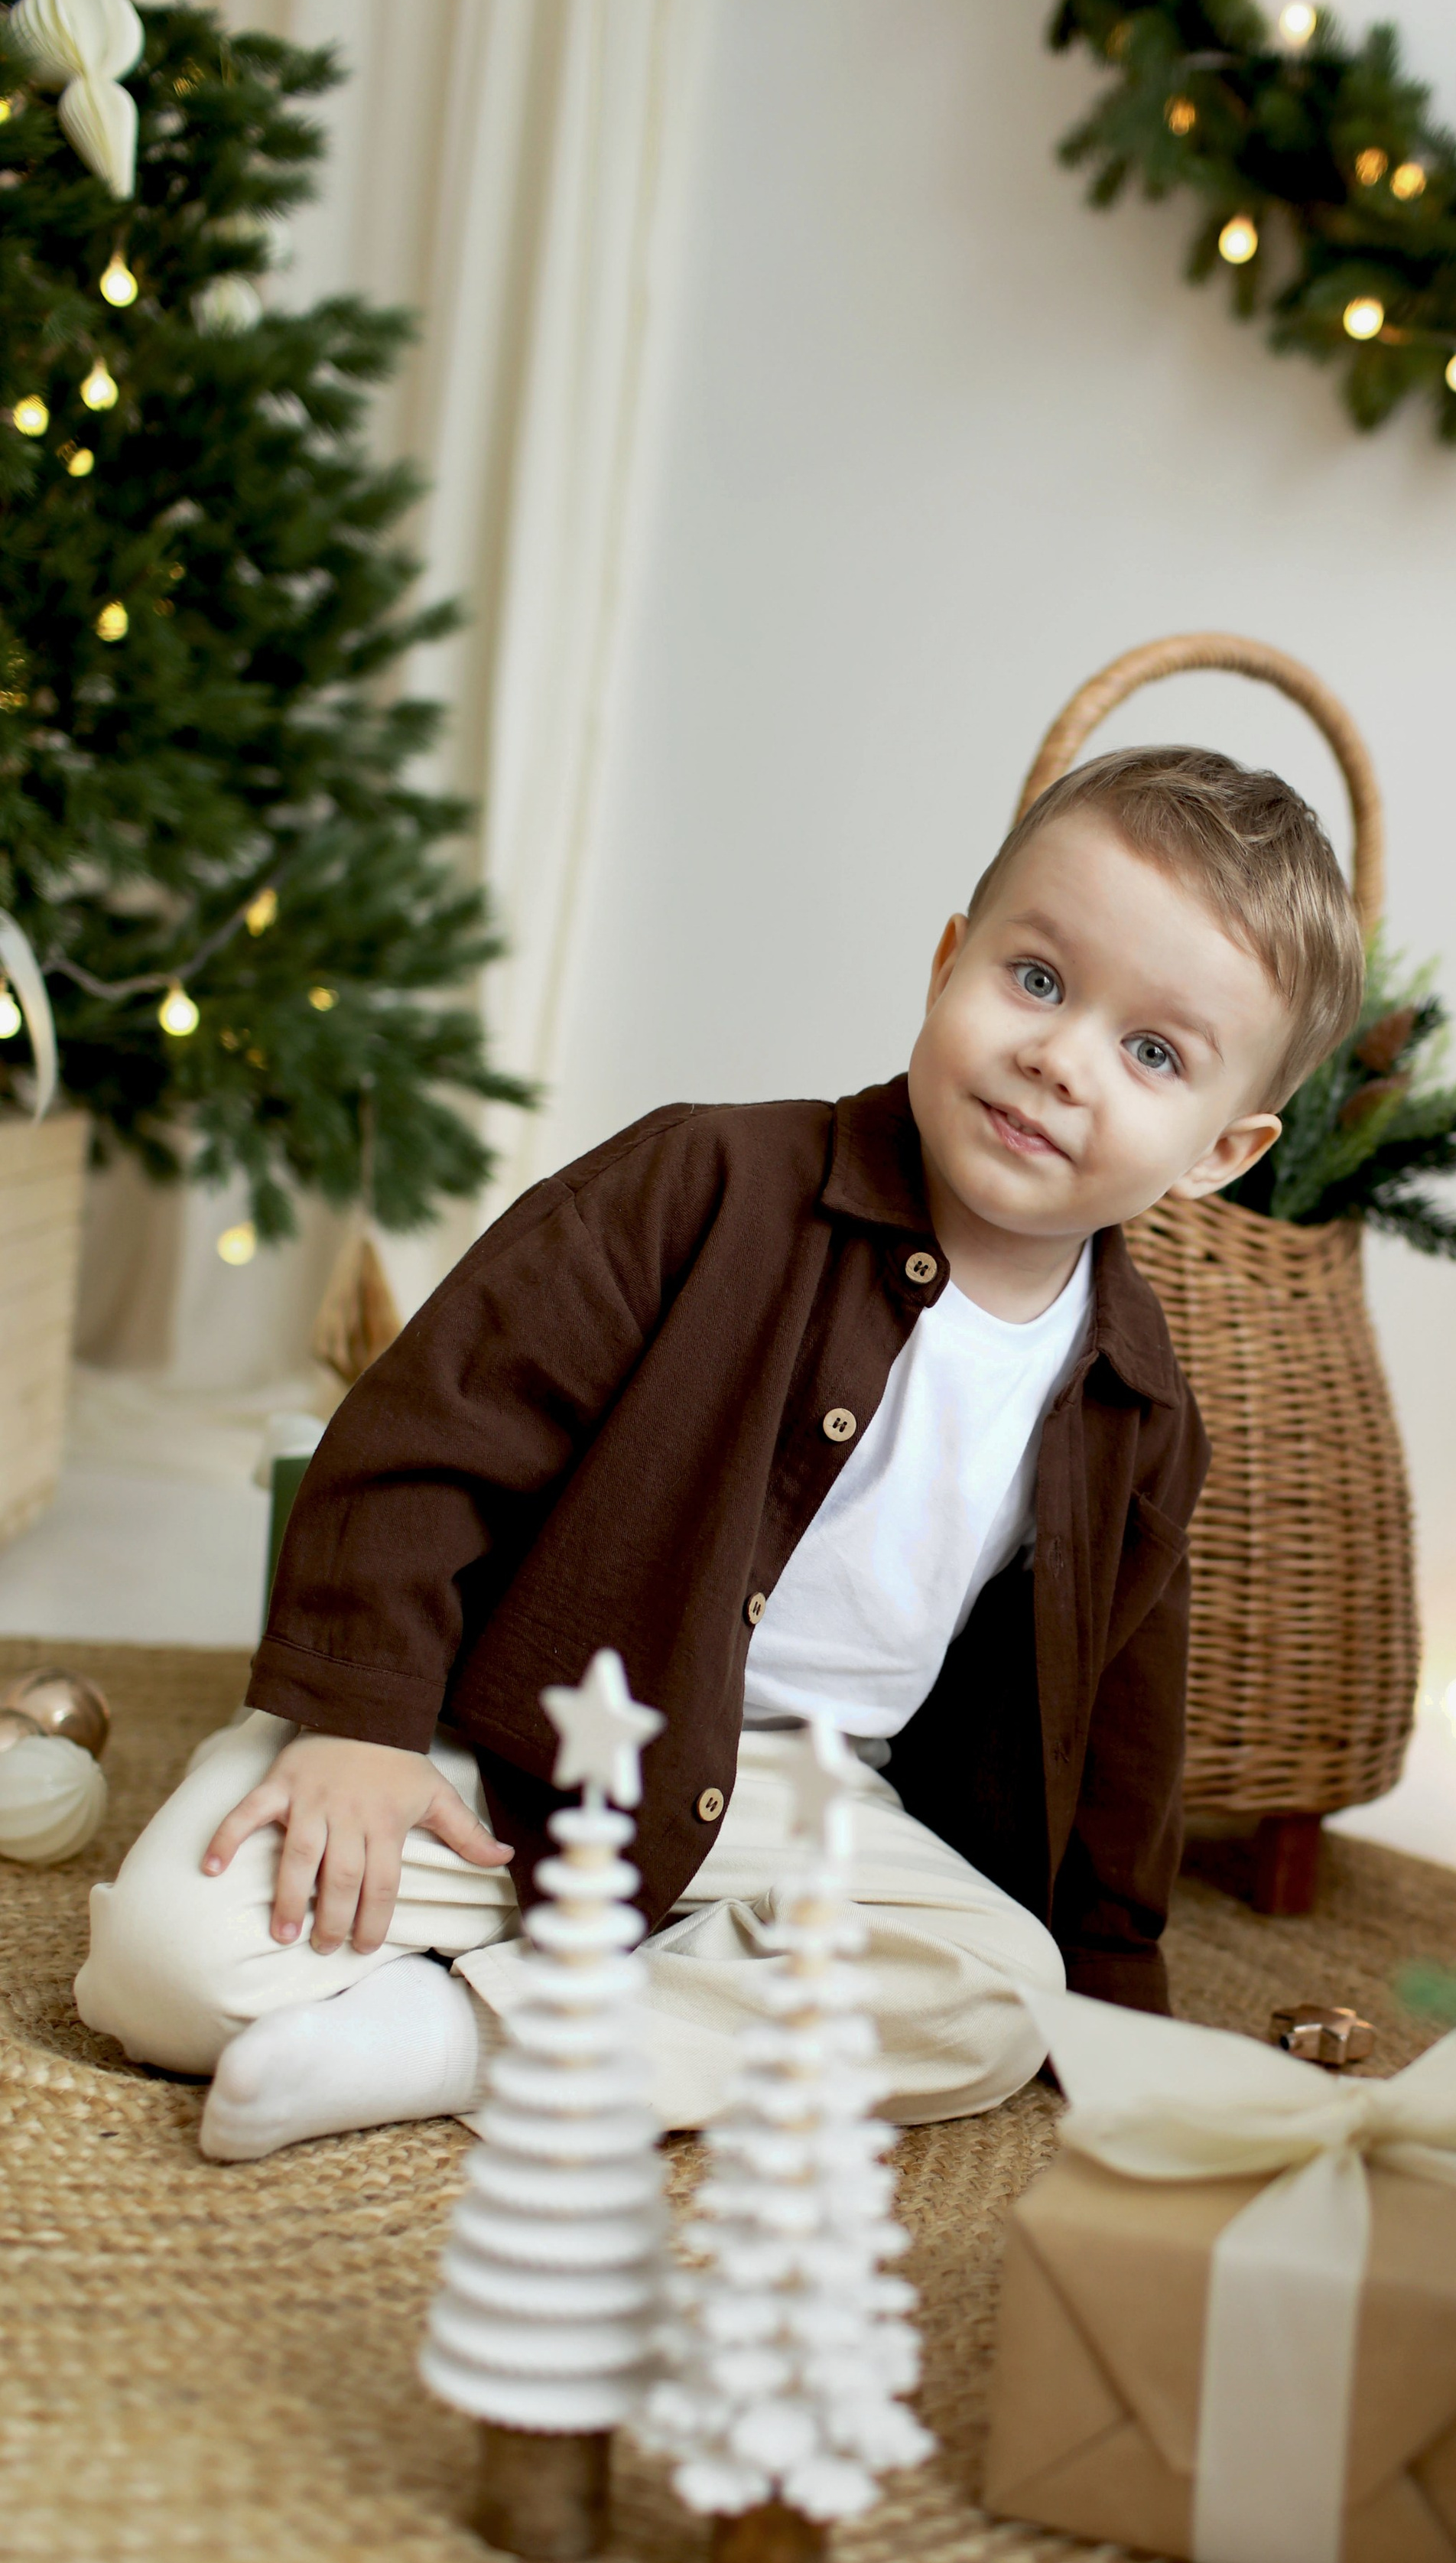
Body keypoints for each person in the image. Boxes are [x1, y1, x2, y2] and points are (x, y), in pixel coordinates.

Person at [76, 745, 1363, 2161]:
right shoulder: (704, 1182)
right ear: (950, 961)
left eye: (1153, 1053)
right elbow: (429, 1426)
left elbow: (1122, 1717)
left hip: (805, 1800)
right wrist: (358, 1724)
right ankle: (607, 1989)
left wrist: (1119, 1980)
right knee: (163, 1962)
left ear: (1220, 1154)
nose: (1060, 1059)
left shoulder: (1134, 1400)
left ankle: (460, 2038)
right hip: (510, 1728)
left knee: (1003, 1996)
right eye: (1039, 980)